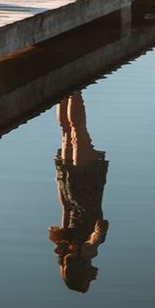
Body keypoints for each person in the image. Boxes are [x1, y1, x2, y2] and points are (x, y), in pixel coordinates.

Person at [49, 90, 109, 293]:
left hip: (87, 191)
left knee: (78, 131)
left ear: (80, 273)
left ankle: (75, 87)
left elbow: (95, 237)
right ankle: (65, 88)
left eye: (87, 280)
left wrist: (96, 237)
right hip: (70, 191)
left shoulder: (87, 253)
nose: (94, 277)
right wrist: (60, 183)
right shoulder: (65, 248)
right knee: (66, 131)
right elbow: (65, 212)